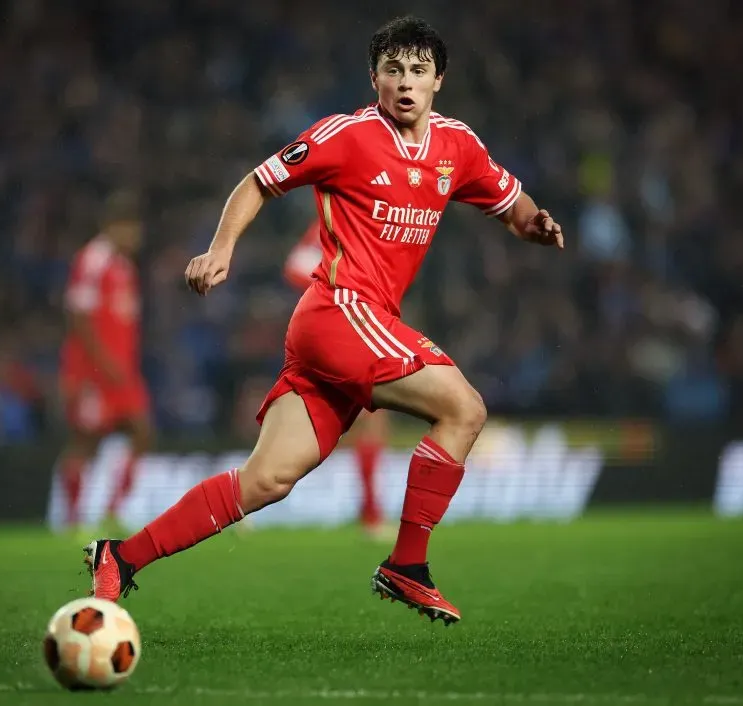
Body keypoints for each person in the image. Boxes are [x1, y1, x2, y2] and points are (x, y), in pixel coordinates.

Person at [84, 16, 563, 626]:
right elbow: (258, 181)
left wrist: (535, 224)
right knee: (463, 408)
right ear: (376, 79)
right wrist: (222, 249)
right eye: (394, 71)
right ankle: (405, 565)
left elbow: (510, 204)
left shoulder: (457, 147)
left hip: (356, 324)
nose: (406, 83)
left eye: (419, 71)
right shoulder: (346, 135)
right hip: (339, 311)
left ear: (439, 80)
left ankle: (120, 558)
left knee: (265, 480)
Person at [284, 218, 393, 540]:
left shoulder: (374, 219)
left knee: (366, 417)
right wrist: (335, 289)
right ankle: (371, 515)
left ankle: (371, 512)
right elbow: (294, 267)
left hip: (355, 326)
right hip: (334, 328)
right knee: (361, 418)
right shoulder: (335, 218)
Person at [56, 190, 153, 532]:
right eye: (128, 228)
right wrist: (100, 362)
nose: (134, 236)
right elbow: (78, 315)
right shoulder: (92, 260)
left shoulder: (125, 267)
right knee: (86, 440)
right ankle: (71, 518)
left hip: (121, 372)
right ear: (111, 227)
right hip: (93, 372)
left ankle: (113, 510)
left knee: (142, 432)